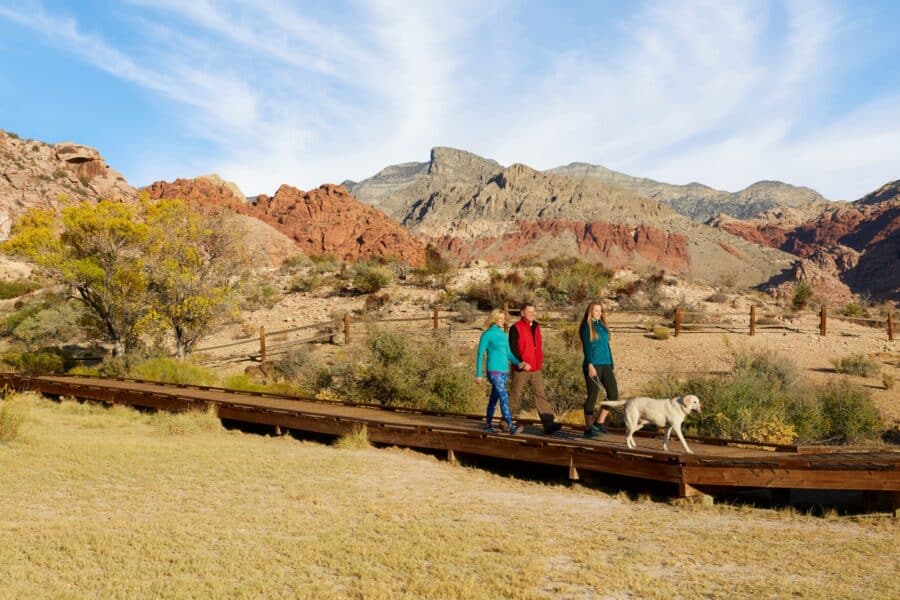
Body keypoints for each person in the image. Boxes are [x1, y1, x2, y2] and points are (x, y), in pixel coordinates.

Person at [508, 302, 563, 435]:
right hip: (521, 368)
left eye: (534, 311)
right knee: (515, 394)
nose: (533, 314)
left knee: (540, 395)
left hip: (536, 367)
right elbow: (512, 348)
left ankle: (549, 424)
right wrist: (520, 362)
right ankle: (505, 422)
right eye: (530, 312)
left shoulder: (537, 326)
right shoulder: (515, 328)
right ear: (522, 313)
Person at [475, 308, 529, 435]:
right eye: (500, 318)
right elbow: (480, 354)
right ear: (494, 319)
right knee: (504, 396)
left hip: (504, 371)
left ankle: (488, 425)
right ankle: (511, 426)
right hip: (493, 371)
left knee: (494, 398)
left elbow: (508, 353)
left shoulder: (504, 335)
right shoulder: (487, 334)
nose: (503, 321)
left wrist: (519, 363)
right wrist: (478, 374)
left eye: (504, 319)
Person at [579, 301, 618, 438]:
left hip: (606, 364)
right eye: (596, 310)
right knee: (593, 395)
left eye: (600, 310)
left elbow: (607, 347)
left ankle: (599, 422)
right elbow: (587, 347)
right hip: (593, 365)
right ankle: (589, 428)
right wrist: (589, 364)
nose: (598, 313)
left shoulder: (602, 326)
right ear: (590, 311)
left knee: (613, 395)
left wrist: (611, 364)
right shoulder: (586, 326)